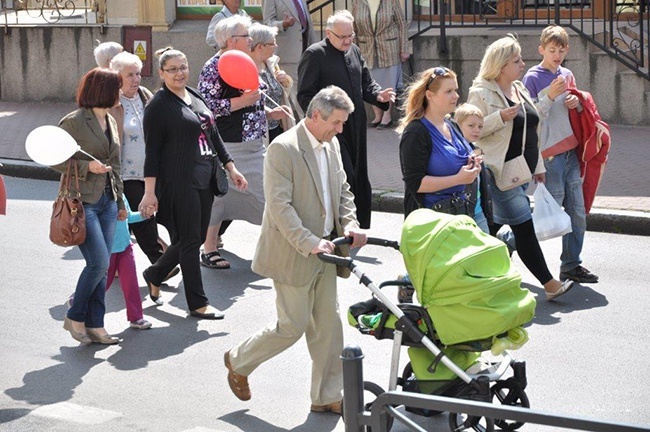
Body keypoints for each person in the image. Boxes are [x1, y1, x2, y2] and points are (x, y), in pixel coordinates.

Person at [224, 86, 368, 413]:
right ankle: (237, 360)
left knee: (329, 328)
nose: (340, 130)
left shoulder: (330, 145)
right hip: (294, 252)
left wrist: (351, 223)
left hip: (329, 251)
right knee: (292, 326)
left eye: (344, 123)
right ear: (315, 115)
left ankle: (327, 395)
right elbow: (279, 206)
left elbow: (342, 191)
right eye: (337, 122)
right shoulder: (283, 149)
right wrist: (309, 241)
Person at [139, 47, 247, 319]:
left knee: (196, 236)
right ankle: (198, 303)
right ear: (162, 73)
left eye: (183, 67)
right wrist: (149, 193)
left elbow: (214, 135)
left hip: (205, 178)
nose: (179, 73)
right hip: (178, 181)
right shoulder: (158, 106)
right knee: (190, 240)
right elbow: (151, 153)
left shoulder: (195, 95)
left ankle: (155, 272)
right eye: (172, 69)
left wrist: (231, 167)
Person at [467, 35, 574, 302]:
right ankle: (549, 284)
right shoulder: (480, 91)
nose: (523, 64)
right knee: (523, 226)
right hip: (498, 171)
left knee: (491, 229)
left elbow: (532, 127)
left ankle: (467, 275)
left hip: (522, 169)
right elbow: (471, 130)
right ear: (501, 65)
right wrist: (498, 117)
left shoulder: (518, 88)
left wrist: (537, 165)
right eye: (516, 60)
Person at [198, 15, 287, 268]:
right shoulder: (213, 67)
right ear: (229, 40)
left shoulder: (246, 63)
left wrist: (269, 113)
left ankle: (271, 248)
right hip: (229, 143)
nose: (250, 40)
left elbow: (253, 98)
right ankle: (210, 249)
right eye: (245, 36)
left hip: (253, 142)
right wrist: (244, 102)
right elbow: (206, 109)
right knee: (224, 198)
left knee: (259, 195)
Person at [297, 10, 395, 228]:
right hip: (330, 127)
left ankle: (355, 224)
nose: (348, 40)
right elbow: (304, 94)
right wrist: (321, 122)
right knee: (343, 175)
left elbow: (366, 83)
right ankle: (339, 224)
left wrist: (379, 96)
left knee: (358, 172)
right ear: (329, 34)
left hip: (356, 124)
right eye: (342, 37)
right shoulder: (314, 54)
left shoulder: (355, 51)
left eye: (351, 35)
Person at [522, 25, 598, 284]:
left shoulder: (567, 74)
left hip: (570, 153)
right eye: (551, 50)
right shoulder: (532, 77)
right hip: (549, 157)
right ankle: (508, 241)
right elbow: (529, 118)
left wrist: (577, 105)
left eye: (561, 50)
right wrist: (550, 96)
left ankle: (571, 265)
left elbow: (577, 113)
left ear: (567, 50)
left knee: (576, 212)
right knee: (548, 214)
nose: (556, 55)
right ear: (541, 49)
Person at [55, 67, 126, 345]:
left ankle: (96, 324)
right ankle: (75, 315)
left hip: (108, 202)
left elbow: (116, 165)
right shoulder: (74, 122)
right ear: (104, 90)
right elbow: (53, 157)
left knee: (103, 266)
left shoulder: (110, 119)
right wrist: (87, 167)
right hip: (82, 203)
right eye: (117, 88)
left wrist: (120, 201)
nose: (120, 93)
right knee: (98, 263)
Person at [108, 52, 177, 280]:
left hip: (151, 171)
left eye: (138, 73)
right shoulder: (111, 103)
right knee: (143, 217)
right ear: (117, 76)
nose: (136, 79)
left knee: (130, 221)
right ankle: (159, 265)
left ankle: (114, 262)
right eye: (130, 75)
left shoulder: (146, 96)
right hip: (125, 174)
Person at [397, 68, 488, 232]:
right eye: (449, 91)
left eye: (456, 90)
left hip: (461, 216)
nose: (456, 95)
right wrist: (458, 179)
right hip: (432, 225)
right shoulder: (416, 132)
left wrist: (472, 163)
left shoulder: (451, 125)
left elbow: (456, 160)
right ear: (430, 95)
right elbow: (415, 184)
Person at [68, 195, 153, 329]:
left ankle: (136, 317)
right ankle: (78, 299)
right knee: (102, 284)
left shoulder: (121, 195)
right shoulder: (97, 199)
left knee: (131, 283)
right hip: (107, 250)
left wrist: (145, 214)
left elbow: (129, 216)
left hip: (125, 247)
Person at [352, 0, 410, 129]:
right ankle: (377, 115)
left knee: (389, 82)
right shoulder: (357, 2)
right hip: (366, 48)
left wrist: (404, 48)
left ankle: (387, 116)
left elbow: (401, 24)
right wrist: (354, 49)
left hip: (389, 47)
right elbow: (354, 26)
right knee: (371, 81)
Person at [262, 0, 317, 116]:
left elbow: (307, 24)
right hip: (288, 55)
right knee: (298, 94)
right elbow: (267, 24)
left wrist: (314, 46)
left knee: (306, 89)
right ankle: (308, 124)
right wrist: (283, 24)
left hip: (305, 50)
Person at [248, 23, 294, 142]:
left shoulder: (271, 63)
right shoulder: (246, 68)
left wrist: (286, 81)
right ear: (259, 47)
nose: (276, 46)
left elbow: (281, 93)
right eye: (272, 43)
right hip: (259, 133)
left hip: (278, 128)